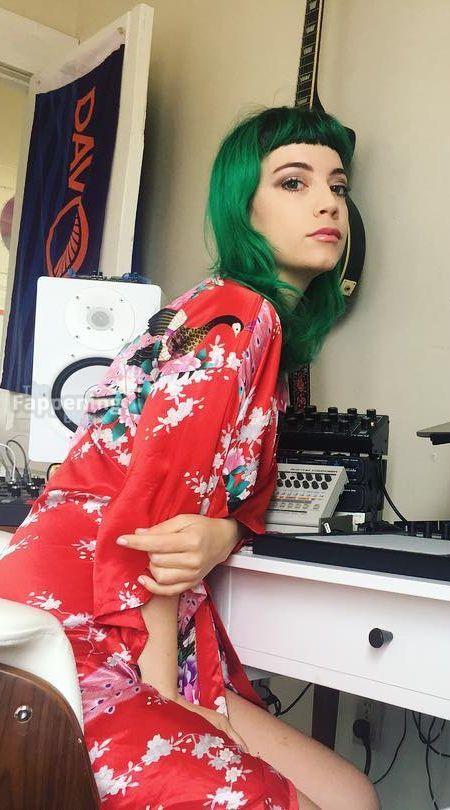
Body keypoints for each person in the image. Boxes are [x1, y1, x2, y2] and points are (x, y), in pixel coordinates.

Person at [0, 106, 378, 810]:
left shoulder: (245, 322)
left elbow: (220, 503)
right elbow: (156, 527)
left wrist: (226, 530)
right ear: (243, 207)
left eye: (338, 185)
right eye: (294, 182)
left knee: (350, 794)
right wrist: (168, 700)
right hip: (78, 642)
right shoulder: (236, 314)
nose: (329, 203)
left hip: (122, 624)